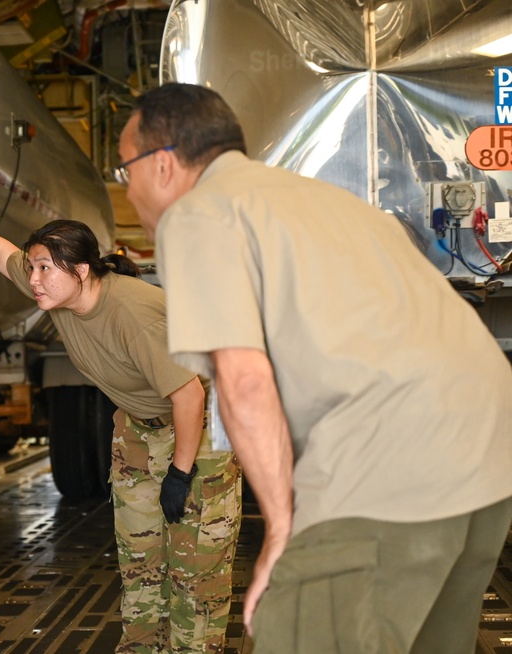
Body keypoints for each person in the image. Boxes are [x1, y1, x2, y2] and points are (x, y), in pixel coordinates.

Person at [116, 82, 512, 654]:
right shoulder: (328, 203)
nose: (126, 192)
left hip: (385, 469)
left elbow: (244, 382)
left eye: (124, 170)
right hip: (487, 465)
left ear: (161, 164)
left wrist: (282, 532)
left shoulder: (199, 213)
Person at [0, 189, 242, 653]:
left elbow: (189, 395)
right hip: (138, 426)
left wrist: (179, 473)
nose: (33, 279)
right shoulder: (61, 294)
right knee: (142, 565)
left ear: (81, 271)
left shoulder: (131, 314)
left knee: (196, 575)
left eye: (44, 268)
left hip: (198, 432)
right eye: (33, 267)